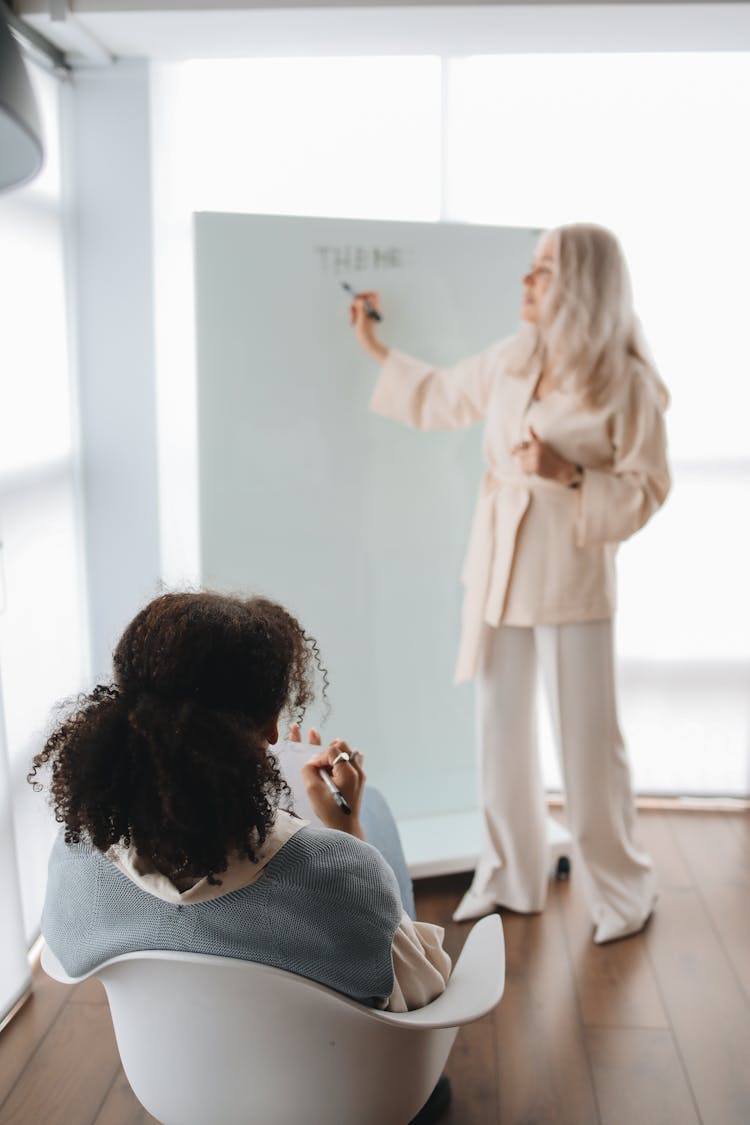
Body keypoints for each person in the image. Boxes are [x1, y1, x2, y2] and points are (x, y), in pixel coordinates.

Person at [349, 222, 670, 943]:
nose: (527, 281)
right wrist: (373, 345)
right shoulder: (516, 357)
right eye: (529, 268)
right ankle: (511, 874)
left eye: (544, 270)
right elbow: (442, 394)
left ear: (583, 283)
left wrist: (572, 473)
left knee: (588, 740)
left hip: (572, 574)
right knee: (499, 729)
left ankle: (623, 889)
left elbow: (649, 487)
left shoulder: (626, 381)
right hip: (499, 564)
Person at [30, 592, 451, 1021]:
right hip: (334, 1082)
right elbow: (422, 991)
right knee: (374, 807)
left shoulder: (77, 853)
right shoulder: (343, 874)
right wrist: (345, 832)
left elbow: (65, 955)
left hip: (168, 1080)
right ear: (271, 729)